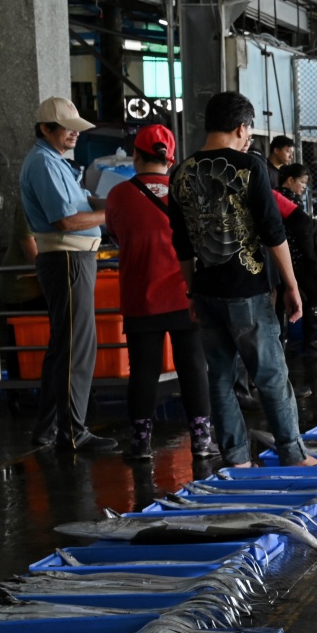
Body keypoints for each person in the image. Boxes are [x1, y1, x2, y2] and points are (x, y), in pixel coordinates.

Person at [167, 91, 317, 468]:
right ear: (242, 127)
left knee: (219, 377)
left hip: (205, 291)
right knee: (269, 374)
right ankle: (293, 453)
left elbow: (182, 242)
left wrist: (191, 291)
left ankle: (235, 458)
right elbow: (273, 232)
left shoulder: (180, 172)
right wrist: (292, 285)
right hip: (247, 290)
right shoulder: (250, 166)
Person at [104, 124, 214, 461]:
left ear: (136, 156)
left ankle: (140, 444)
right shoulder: (188, 191)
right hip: (185, 294)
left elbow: (116, 235)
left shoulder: (119, 194)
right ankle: (201, 442)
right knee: (193, 367)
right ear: (170, 159)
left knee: (144, 372)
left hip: (141, 298)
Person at [19, 96, 116, 452]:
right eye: (68, 129)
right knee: (77, 348)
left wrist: (128, 198)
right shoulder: (44, 164)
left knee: (64, 347)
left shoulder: (57, 161)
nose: (75, 135)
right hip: (67, 259)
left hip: (71, 259)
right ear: (46, 129)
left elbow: (85, 202)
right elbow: (67, 221)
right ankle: (73, 433)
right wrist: (113, 215)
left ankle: (49, 429)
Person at [273, 163, 317, 352]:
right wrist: (311, 259)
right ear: (290, 180)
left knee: (278, 301)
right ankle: (312, 339)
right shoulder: (291, 200)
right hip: (297, 257)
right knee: (313, 295)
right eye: (301, 182)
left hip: (278, 257)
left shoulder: (272, 195)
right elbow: (303, 229)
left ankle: (281, 341)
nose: (303, 187)